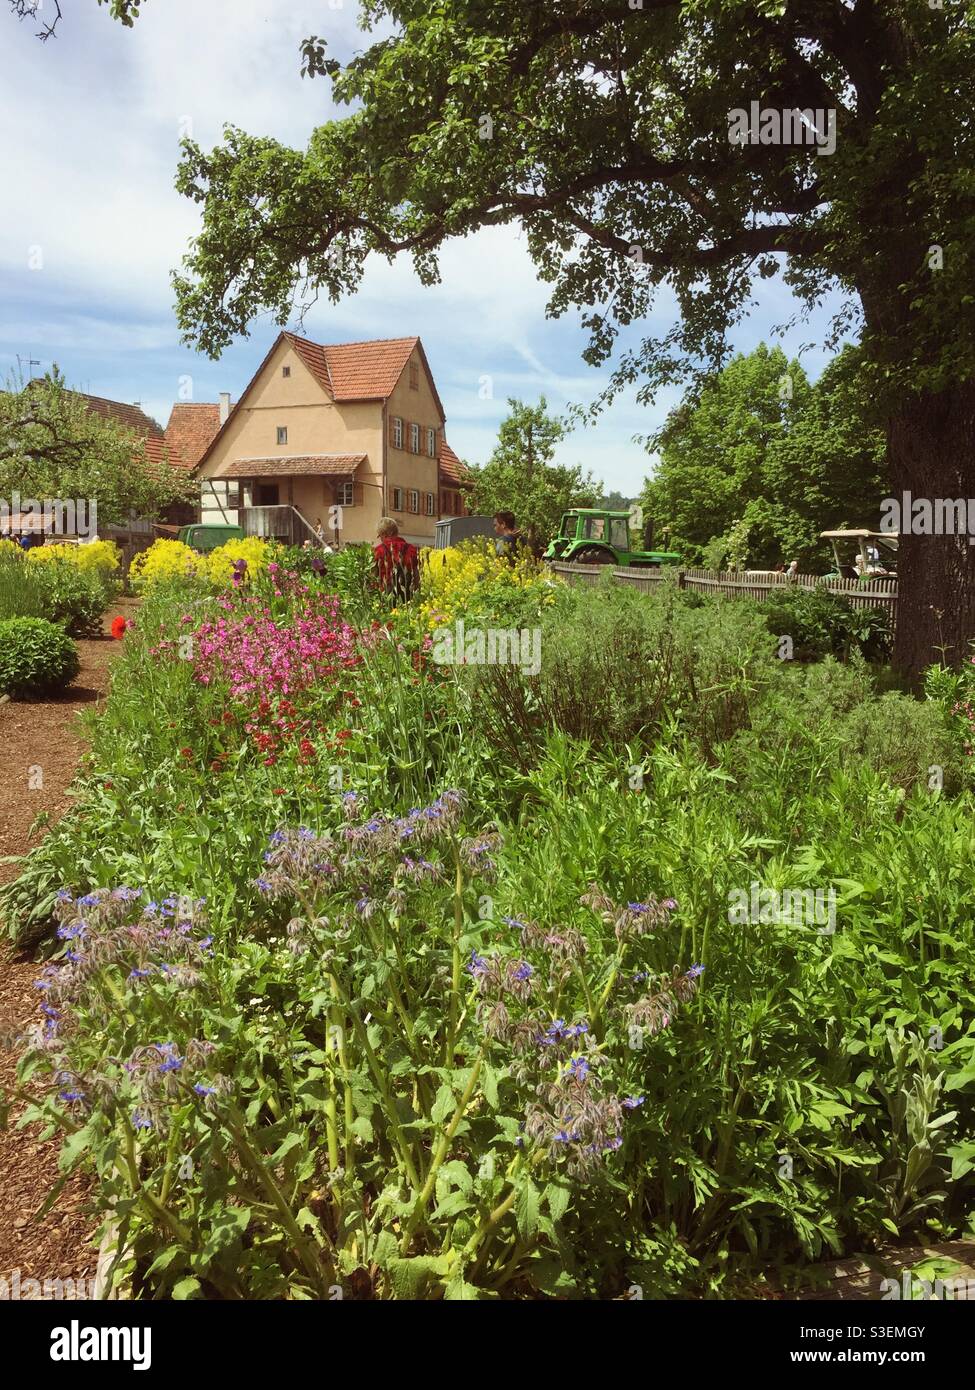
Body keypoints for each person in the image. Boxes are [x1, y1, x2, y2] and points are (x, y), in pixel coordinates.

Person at [373, 517, 419, 601]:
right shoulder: (410, 549)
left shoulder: (378, 551)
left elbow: (374, 576)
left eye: (380, 535)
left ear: (385, 534)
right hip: (406, 598)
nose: (380, 539)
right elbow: (416, 576)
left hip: (385, 598)